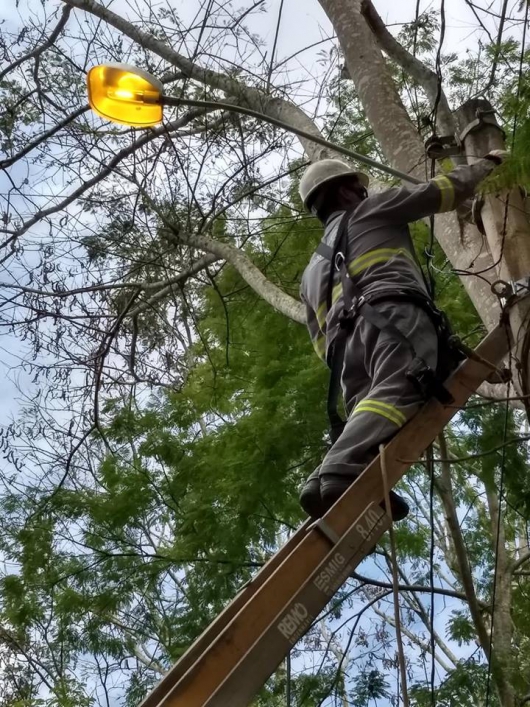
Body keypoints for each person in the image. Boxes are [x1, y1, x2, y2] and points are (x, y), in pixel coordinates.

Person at [298, 153, 505, 520]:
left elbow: (319, 337)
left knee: (378, 417)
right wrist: (489, 164)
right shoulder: (371, 210)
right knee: (403, 388)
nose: (364, 193)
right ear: (347, 192)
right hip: (392, 314)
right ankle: (339, 469)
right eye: (359, 189)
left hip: (344, 355)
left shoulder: (311, 273)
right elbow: (442, 192)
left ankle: (336, 480)